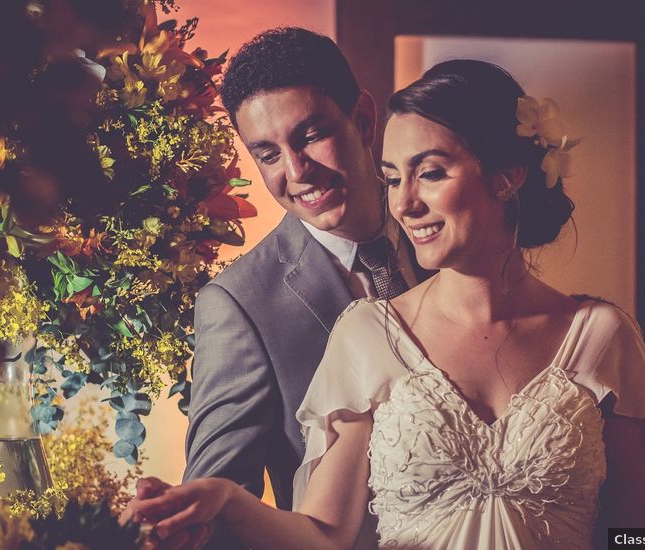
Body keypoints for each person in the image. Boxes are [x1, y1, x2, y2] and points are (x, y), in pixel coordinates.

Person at [129, 60, 645, 549]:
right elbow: (322, 534)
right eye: (393, 178)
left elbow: (636, 533)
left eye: (431, 172)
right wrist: (225, 498)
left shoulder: (602, 335)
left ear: (507, 177)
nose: (405, 202)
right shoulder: (368, 334)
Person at [127, 27, 432, 549]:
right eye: (267, 154)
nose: (296, 171)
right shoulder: (239, 304)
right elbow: (219, 509)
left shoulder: (447, 229)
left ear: (362, 118)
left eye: (311, 135)